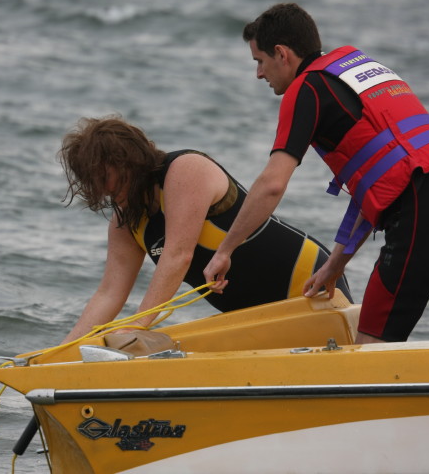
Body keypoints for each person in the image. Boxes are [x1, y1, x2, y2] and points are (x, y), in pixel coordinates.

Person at [203, 3, 429, 344]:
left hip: (421, 220)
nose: (259, 74)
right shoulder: (357, 70)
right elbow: (385, 180)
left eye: (259, 61)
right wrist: (335, 265)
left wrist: (225, 250)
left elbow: (272, 184)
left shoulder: (306, 89)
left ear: (281, 53)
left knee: (370, 349)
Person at [58, 115, 352, 343]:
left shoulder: (185, 169)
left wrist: (137, 326)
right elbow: (108, 294)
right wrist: (59, 353)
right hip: (255, 316)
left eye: (102, 177)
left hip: (309, 284)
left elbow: (178, 255)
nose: (101, 190)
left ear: (126, 162)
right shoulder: (126, 221)